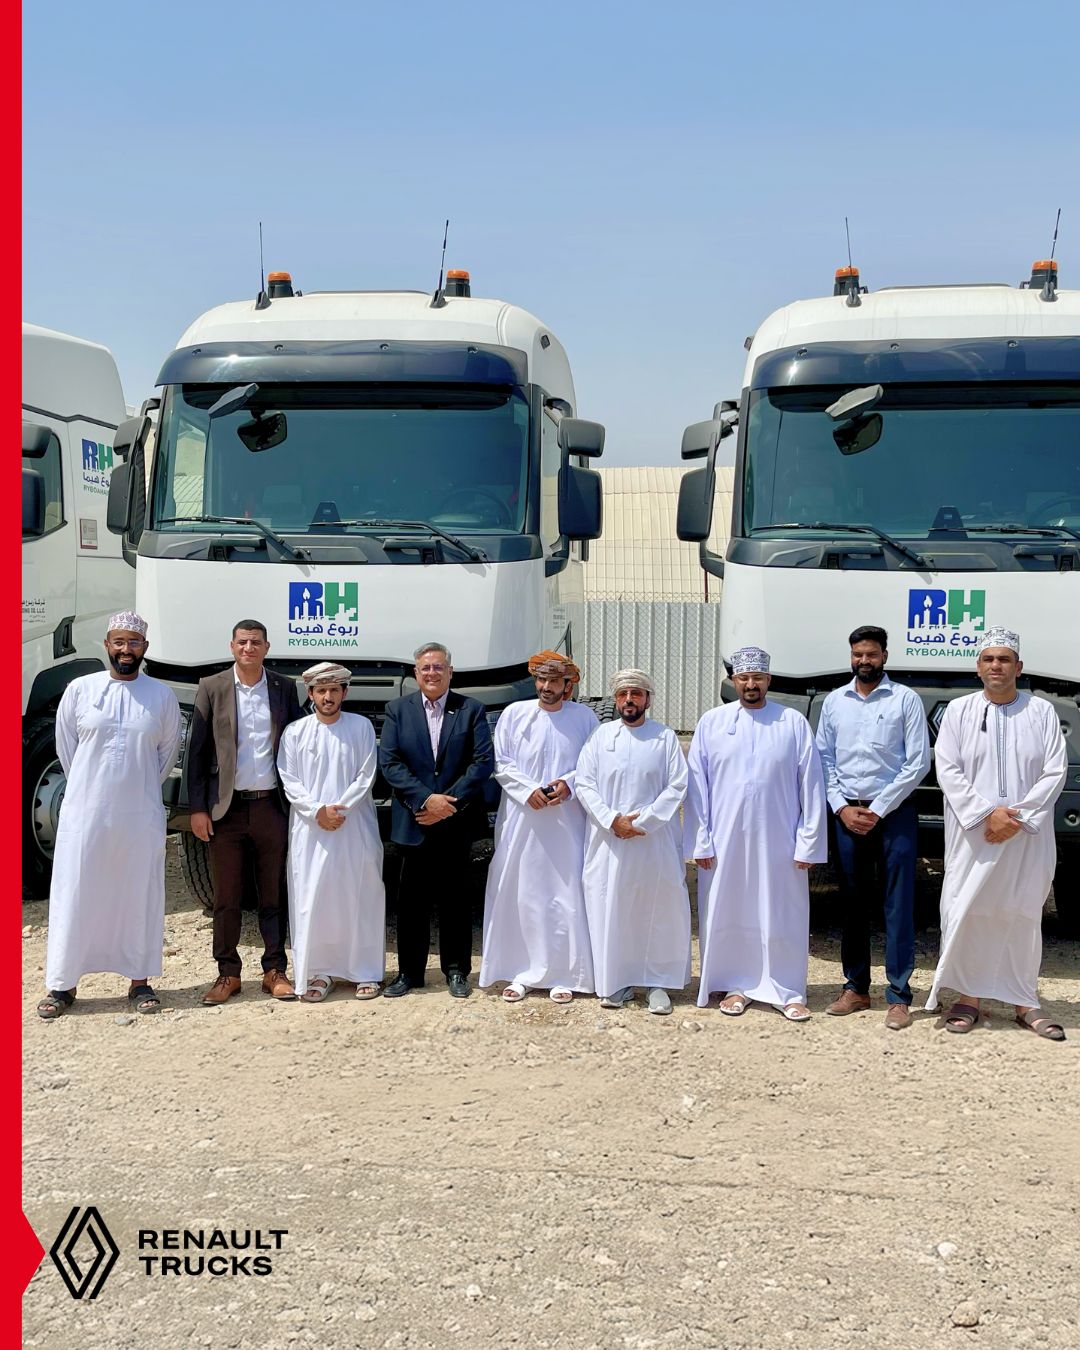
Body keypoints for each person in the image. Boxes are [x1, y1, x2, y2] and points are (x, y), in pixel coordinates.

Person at [37, 613, 182, 1019]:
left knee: (138, 893)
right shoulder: (80, 690)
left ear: (144, 648)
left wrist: (132, 788)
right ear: (107, 645)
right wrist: (96, 787)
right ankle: (63, 984)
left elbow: (165, 757)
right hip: (86, 814)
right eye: (119, 642)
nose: (126, 649)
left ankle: (139, 982)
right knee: (76, 892)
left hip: (139, 815)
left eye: (134, 642)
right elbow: (67, 751)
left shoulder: (161, 696)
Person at [926, 628, 1068, 1040]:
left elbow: (1055, 771)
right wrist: (987, 815)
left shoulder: (1041, 712)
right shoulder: (959, 711)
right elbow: (947, 768)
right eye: (989, 659)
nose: (996, 666)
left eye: (1004, 659)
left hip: (1026, 836)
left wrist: (1015, 818)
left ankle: (1025, 1001)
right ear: (978, 667)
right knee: (969, 908)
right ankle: (968, 998)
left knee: (1022, 911)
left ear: (1018, 667)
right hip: (975, 834)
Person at [685, 646, 826, 1022]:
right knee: (731, 909)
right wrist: (701, 840)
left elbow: (811, 783)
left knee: (782, 912)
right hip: (724, 840)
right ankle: (737, 985)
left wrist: (809, 842)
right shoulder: (712, 722)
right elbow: (697, 787)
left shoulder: (792, 722)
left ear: (769, 680)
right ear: (734, 681)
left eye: (758, 678)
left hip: (780, 840)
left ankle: (788, 990)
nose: (751, 684)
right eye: (744, 678)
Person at [815, 625, 930, 1030]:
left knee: (898, 903)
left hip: (894, 814)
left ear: (885, 656)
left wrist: (879, 808)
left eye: (872, 654)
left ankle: (898, 995)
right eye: (858, 655)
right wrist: (841, 807)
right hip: (847, 814)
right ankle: (856, 988)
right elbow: (823, 759)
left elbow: (918, 762)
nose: (864, 661)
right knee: (852, 901)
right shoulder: (834, 702)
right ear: (851, 657)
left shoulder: (905, 699)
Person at [186, 619, 304, 1004]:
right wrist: (198, 808)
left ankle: (274, 970)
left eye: (255, 642)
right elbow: (197, 753)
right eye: (242, 642)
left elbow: (298, 743)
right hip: (227, 810)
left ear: (267, 648)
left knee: (274, 893)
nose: (248, 648)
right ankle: (228, 974)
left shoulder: (283, 687)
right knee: (227, 897)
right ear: (232, 646)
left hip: (272, 806)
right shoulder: (213, 687)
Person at [479, 652, 598, 1004]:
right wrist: (527, 790)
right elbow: (501, 762)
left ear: (567, 685)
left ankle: (565, 974)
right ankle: (520, 971)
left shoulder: (585, 718)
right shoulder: (515, 714)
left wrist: (569, 784)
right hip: (522, 819)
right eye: (541, 680)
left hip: (567, 820)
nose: (546, 687)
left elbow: (593, 764)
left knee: (565, 892)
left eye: (554, 681)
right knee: (522, 891)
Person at [378, 642, 495, 998]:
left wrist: (447, 803)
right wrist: (426, 800)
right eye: (425, 668)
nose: (432, 673)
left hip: (457, 820)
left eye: (438, 667)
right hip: (415, 819)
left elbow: (482, 763)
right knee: (411, 901)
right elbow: (390, 762)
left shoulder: (471, 709)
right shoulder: (398, 710)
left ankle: (457, 971)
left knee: (456, 898)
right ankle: (409, 973)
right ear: (416, 673)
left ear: (450, 672)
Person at [574, 669, 690, 1015]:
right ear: (615, 699)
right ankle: (617, 981)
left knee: (658, 910)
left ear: (648, 699)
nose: (629, 700)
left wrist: (643, 822)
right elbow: (584, 783)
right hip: (609, 841)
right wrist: (612, 820)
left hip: (654, 842)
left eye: (636, 693)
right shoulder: (600, 736)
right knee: (612, 908)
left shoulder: (664, 737)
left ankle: (658, 983)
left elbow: (677, 785)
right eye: (623, 693)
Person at [277, 662, 386, 1003]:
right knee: (314, 897)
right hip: (311, 829)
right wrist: (317, 812)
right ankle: (318, 972)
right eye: (321, 690)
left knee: (360, 893)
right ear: (310, 694)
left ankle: (364, 972)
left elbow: (366, 775)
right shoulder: (295, 732)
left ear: (344, 693)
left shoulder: (361, 727)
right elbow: (289, 779)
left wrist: (340, 810)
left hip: (355, 826)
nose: (328, 696)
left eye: (334, 690)